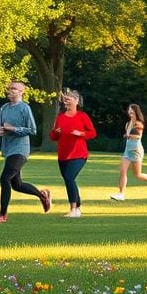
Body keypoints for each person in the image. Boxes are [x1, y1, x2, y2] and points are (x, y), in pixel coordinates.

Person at [0, 80, 51, 223]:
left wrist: (13, 129)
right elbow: (0, 127)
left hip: (21, 149)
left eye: (14, 89)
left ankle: (2, 215)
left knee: (4, 178)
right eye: (10, 88)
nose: (11, 90)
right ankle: (43, 196)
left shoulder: (25, 108)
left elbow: (32, 130)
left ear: (22, 92)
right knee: (17, 185)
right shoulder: (4, 108)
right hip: (8, 149)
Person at [49, 88, 96, 218]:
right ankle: (78, 208)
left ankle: (73, 209)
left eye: (68, 99)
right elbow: (53, 137)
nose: (66, 102)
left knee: (69, 178)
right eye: (65, 100)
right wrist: (55, 132)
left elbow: (92, 133)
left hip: (78, 154)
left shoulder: (82, 116)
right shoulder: (60, 117)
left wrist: (80, 133)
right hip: (63, 155)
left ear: (76, 101)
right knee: (69, 180)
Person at [109, 103, 147, 201]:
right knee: (123, 171)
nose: (130, 112)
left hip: (136, 151)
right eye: (129, 110)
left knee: (138, 174)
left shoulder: (139, 124)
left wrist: (128, 135)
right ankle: (121, 194)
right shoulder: (127, 124)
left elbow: (138, 136)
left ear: (136, 111)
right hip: (127, 151)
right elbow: (128, 136)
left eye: (131, 110)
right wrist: (128, 135)